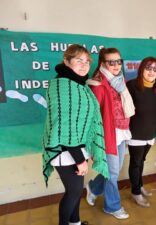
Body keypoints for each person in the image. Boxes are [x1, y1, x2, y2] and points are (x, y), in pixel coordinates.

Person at [42, 44, 109, 225]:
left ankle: (75, 223)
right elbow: (65, 129)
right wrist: (79, 159)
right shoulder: (63, 86)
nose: (84, 65)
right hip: (65, 151)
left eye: (87, 61)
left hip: (76, 148)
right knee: (73, 192)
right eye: (79, 60)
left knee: (76, 191)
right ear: (66, 61)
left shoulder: (78, 85)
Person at [86, 47, 134, 219]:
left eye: (118, 61)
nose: (116, 65)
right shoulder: (97, 84)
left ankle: (94, 188)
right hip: (108, 135)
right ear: (102, 63)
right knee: (113, 173)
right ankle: (112, 206)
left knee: (113, 170)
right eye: (111, 62)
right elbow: (93, 117)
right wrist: (94, 143)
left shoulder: (120, 80)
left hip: (121, 131)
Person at [126, 57, 156, 207]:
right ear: (141, 69)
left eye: (155, 69)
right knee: (135, 162)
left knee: (141, 161)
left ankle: (139, 185)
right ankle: (135, 192)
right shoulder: (132, 85)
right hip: (135, 133)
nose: (152, 72)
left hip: (150, 133)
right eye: (148, 68)